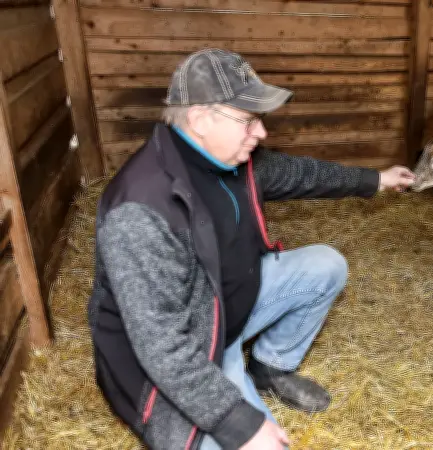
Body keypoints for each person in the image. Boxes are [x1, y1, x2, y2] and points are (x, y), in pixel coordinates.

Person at [86, 48, 416, 450]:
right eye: (248, 120)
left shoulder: (234, 160)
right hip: (186, 353)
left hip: (225, 312)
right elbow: (162, 347)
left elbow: (302, 174)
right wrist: (237, 422)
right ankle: (233, 380)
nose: (260, 133)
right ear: (200, 119)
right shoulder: (141, 209)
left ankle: (270, 367)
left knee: (325, 266)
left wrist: (376, 179)